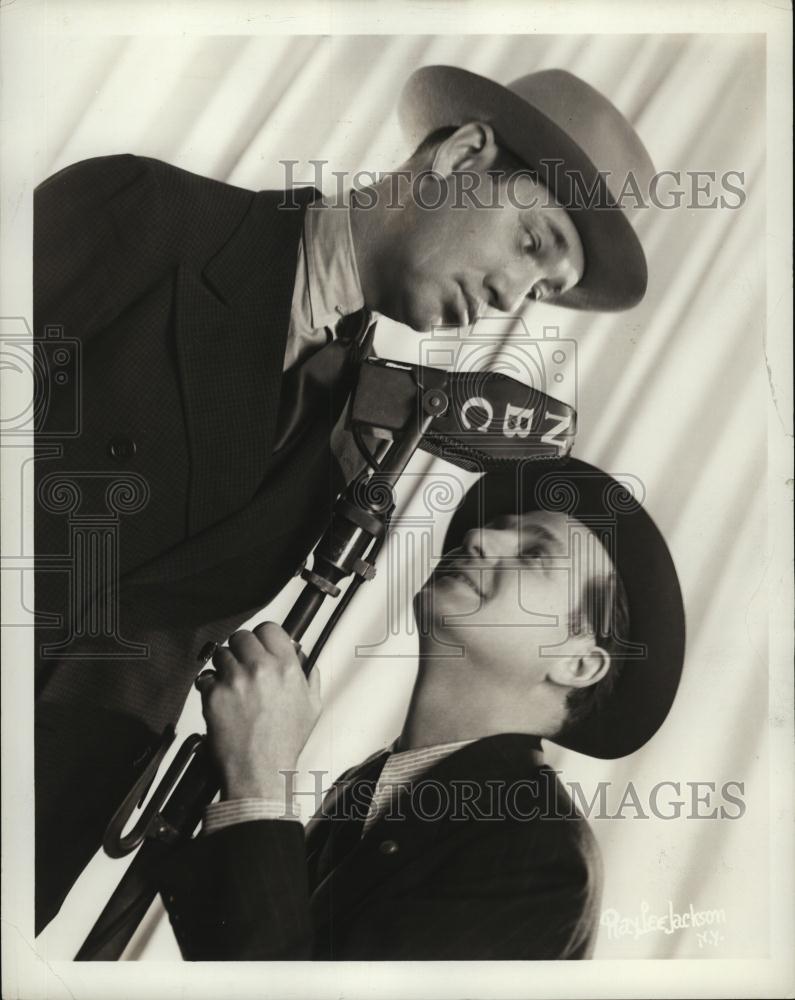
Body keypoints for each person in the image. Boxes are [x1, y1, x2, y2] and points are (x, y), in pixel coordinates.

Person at [34, 65, 656, 930]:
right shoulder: (140, 212)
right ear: (464, 154)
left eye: (540, 292)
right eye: (529, 242)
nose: (511, 301)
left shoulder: (342, 451)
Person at [157, 458, 686, 960]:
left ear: (577, 663)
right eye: (495, 526)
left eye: (534, 555)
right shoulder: (367, 788)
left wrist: (257, 780)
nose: (477, 537)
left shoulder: (543, 859)